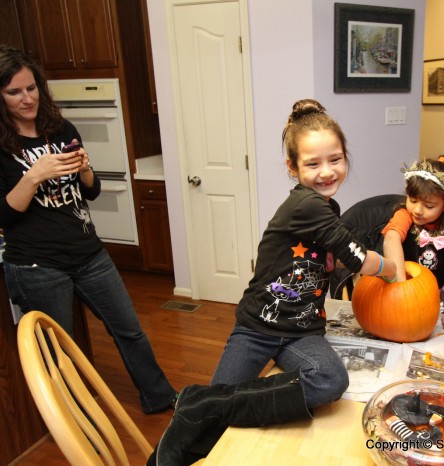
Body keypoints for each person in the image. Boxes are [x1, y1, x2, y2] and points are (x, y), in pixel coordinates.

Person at [149, 99, 397, 465]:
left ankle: (208, 401)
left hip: (302, 332)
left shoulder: (325, 206)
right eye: (312, 163)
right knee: (208, 424)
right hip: (257, 329)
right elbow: (355, 257)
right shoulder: (305, 206)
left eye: (336, 159)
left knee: (330, 381)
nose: (327, 171)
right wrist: (393, 268)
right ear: (292, 167)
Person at [0, 44, 177, 413]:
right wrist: (34, 176)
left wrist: (84, 168)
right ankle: (74, 419)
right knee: (59, 351)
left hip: (89, 253)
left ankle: (161, 398)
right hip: (37, 266)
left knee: (129, 331)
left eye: (31, 88)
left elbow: (90, 191)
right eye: (14, 92)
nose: (27, 98)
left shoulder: (59, 127)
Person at [382, 156, 444, 329]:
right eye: (413, 200)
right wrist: (401, 287)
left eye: (429, 206)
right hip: (402, 286)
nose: (417, 210)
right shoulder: (404, 215)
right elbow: (391, 239)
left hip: (435, 293)